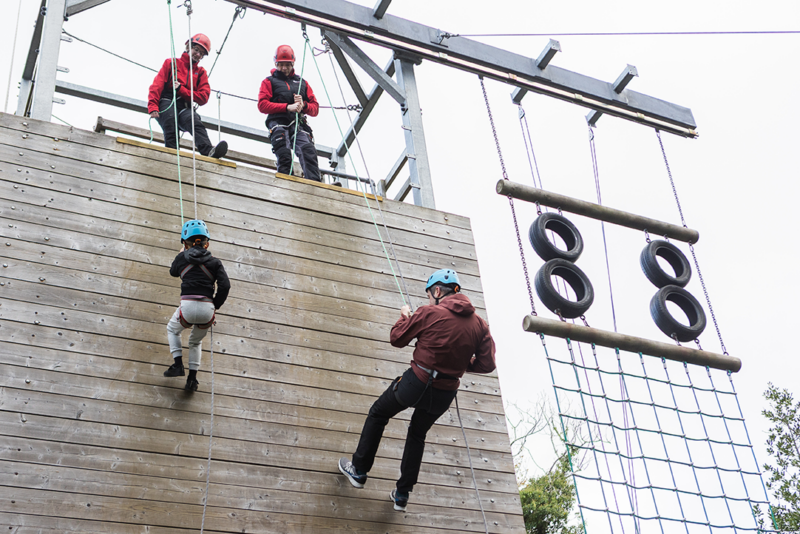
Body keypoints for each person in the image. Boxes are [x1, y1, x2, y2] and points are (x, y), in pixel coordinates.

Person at [338, 269, 496, 511]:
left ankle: (358, 471)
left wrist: (404, 317)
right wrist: (458, 363)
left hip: (417, 382)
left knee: (379, 413)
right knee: (417, 435)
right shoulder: (480, 325)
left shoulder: (429, 312)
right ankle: (402, 495)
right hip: (444, 394)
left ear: (436, 291)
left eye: (429, 295)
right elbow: (487, 364)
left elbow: (397, 338)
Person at [164, 220, 231, 392]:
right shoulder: (215, 262)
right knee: (195, 342)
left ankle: (178, 364)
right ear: (206, 243)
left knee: (173, 329)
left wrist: (181, 255)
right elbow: (225, 286)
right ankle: (192, 380)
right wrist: (215, 305)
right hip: (206, 309)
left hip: (186, 306)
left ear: (185, 243)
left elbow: (173, 272)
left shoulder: (182, 257)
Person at [148, 33, 228, 159]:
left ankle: (209, 151)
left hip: (185, 106)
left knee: (194, 122)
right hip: (167, 101)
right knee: (170, 120)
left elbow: (203, 97)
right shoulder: (171, 63)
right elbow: (156, 86)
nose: (198, 54)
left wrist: (181, 90)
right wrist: (153, 106)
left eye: (201, 54)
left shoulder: (201, 73)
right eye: (196, 50)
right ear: (188, 47)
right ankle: (172, 154)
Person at [257, 44, 321, 182]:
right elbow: (262, 105)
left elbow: (315, 108)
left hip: (299, 125)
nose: (284, 68)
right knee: (284, 154)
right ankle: (285, 183)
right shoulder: (269, 82)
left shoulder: (302, 83)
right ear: (276, 63)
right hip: (279, 122)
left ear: (293, 64)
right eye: (281, 65)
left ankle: (316, 184)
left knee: (308, 152)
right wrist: (287, 107)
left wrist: (303, 105)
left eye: (287, 65)